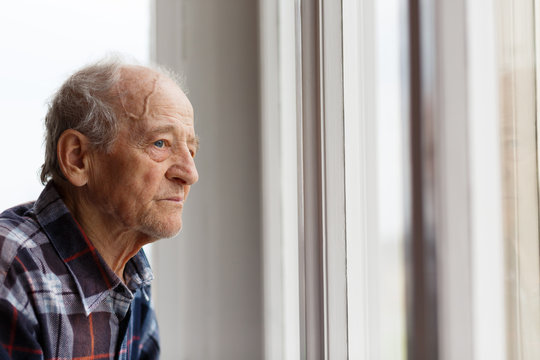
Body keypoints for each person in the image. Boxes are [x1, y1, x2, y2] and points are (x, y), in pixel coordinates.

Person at [0, 59, 199, 359]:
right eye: (160, 143)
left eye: (191, 150)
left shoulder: (132, 275)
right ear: (78, 158)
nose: (190, 173)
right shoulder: (11, 267)